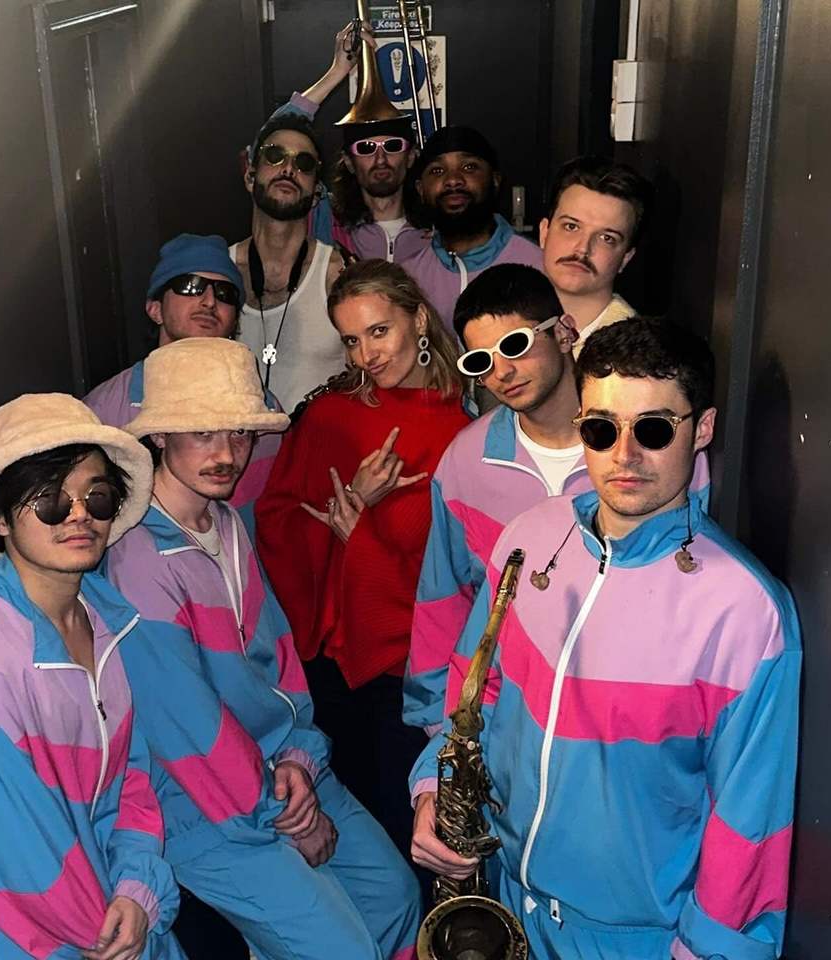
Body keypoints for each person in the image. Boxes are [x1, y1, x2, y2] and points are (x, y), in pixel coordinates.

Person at [410, 318, 801, 960]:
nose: (624, 455)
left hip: (633, 942)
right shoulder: (528, 538)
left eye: (654, 429)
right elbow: (477, 688)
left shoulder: (746, 612)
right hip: (503, 900)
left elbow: (747, 826)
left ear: (702, 429)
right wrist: (434, 784)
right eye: (600, 428)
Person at [106, 336, 420, 960]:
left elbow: (280, 662)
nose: (226, 454)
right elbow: (186, 728)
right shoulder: (137, 556)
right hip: (199, 803)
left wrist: (299, 756)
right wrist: (284, 815)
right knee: (342, 949)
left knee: (397, 897)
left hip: (278, 765)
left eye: (240, 433)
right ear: (160, 435)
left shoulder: (225, 522)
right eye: (203, 433)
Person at [0, 393, 186, 960]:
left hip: (125, 922)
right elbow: (20, 863)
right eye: (49, 501)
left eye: (97, 496)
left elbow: (133, 780)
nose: (79, 515)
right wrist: (117, 927)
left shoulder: (109, 625)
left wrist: (138, 892)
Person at [256, 259, 470, 867]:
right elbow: (277, 526)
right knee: (350, 845)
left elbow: (459, 578)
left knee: (410, 836)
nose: (367, 354)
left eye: (379, 331)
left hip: (415, 672)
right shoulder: (329, 415)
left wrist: (364, 536)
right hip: (332, 665)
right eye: (351, 340)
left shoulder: (466, 432)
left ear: (419, 319)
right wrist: (354, 500)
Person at [404, 264, 592, 732]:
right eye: (480, 362)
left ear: (564, 332)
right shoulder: (465, 462)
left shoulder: (636, 450)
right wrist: (436, 726)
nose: (501, 371)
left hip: (612, 719)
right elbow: (443, 597)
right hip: (501, 718)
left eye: (515, 345)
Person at [83, 233, 272, 538]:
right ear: (155, 309)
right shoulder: (102, 411)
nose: (209, 301)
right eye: (190, 286)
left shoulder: (262, 408)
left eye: (225, 293)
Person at [269, 21, 429, 263]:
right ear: (349, 162)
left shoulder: (436, 227)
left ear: (411, 156)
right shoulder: (321, 218)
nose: (380, 159)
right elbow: (272, 142)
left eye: (392, 146)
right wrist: (337, 72)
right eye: (366, 148)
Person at [232, 114, 347, 413]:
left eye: (304, 163)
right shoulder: (219, 272)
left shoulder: (340, 275)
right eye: (274, 155)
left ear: (316, 194)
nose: (288, 168)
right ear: (249, 177)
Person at [401, 125, 544, 329]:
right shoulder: (408, 278)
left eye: (469, 167)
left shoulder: (538, 265)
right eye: (437, 171)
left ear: (495, 180)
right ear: (420, 189)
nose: (453, 180)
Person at [540, 155, 653, 353]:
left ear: (626, 257)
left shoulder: (636, 354)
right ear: (544, 233)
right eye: (571, 226)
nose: (583, 248)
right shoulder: (504, 322)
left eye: (606, 238)